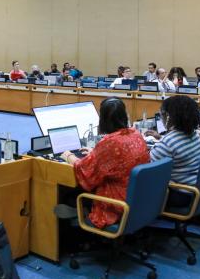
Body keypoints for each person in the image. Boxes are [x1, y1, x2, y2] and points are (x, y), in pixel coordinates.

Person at [61, 97, 150, 229]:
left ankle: (76, 227)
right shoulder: (135, 133)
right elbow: (117, 158)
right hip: (138, 197)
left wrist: (69, 156)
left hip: (117, 203)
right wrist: (95, 152)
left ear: (103, 120)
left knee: (69, 195)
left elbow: (85, 171)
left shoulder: (109, 143)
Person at [147, 95, 200, 207]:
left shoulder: (167, 144)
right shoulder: (195, 135)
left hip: (179, 195)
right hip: (194, 189)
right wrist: (160, 138)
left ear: (168, 117)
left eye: (162, 115)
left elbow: (148, 173)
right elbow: (176, 145)